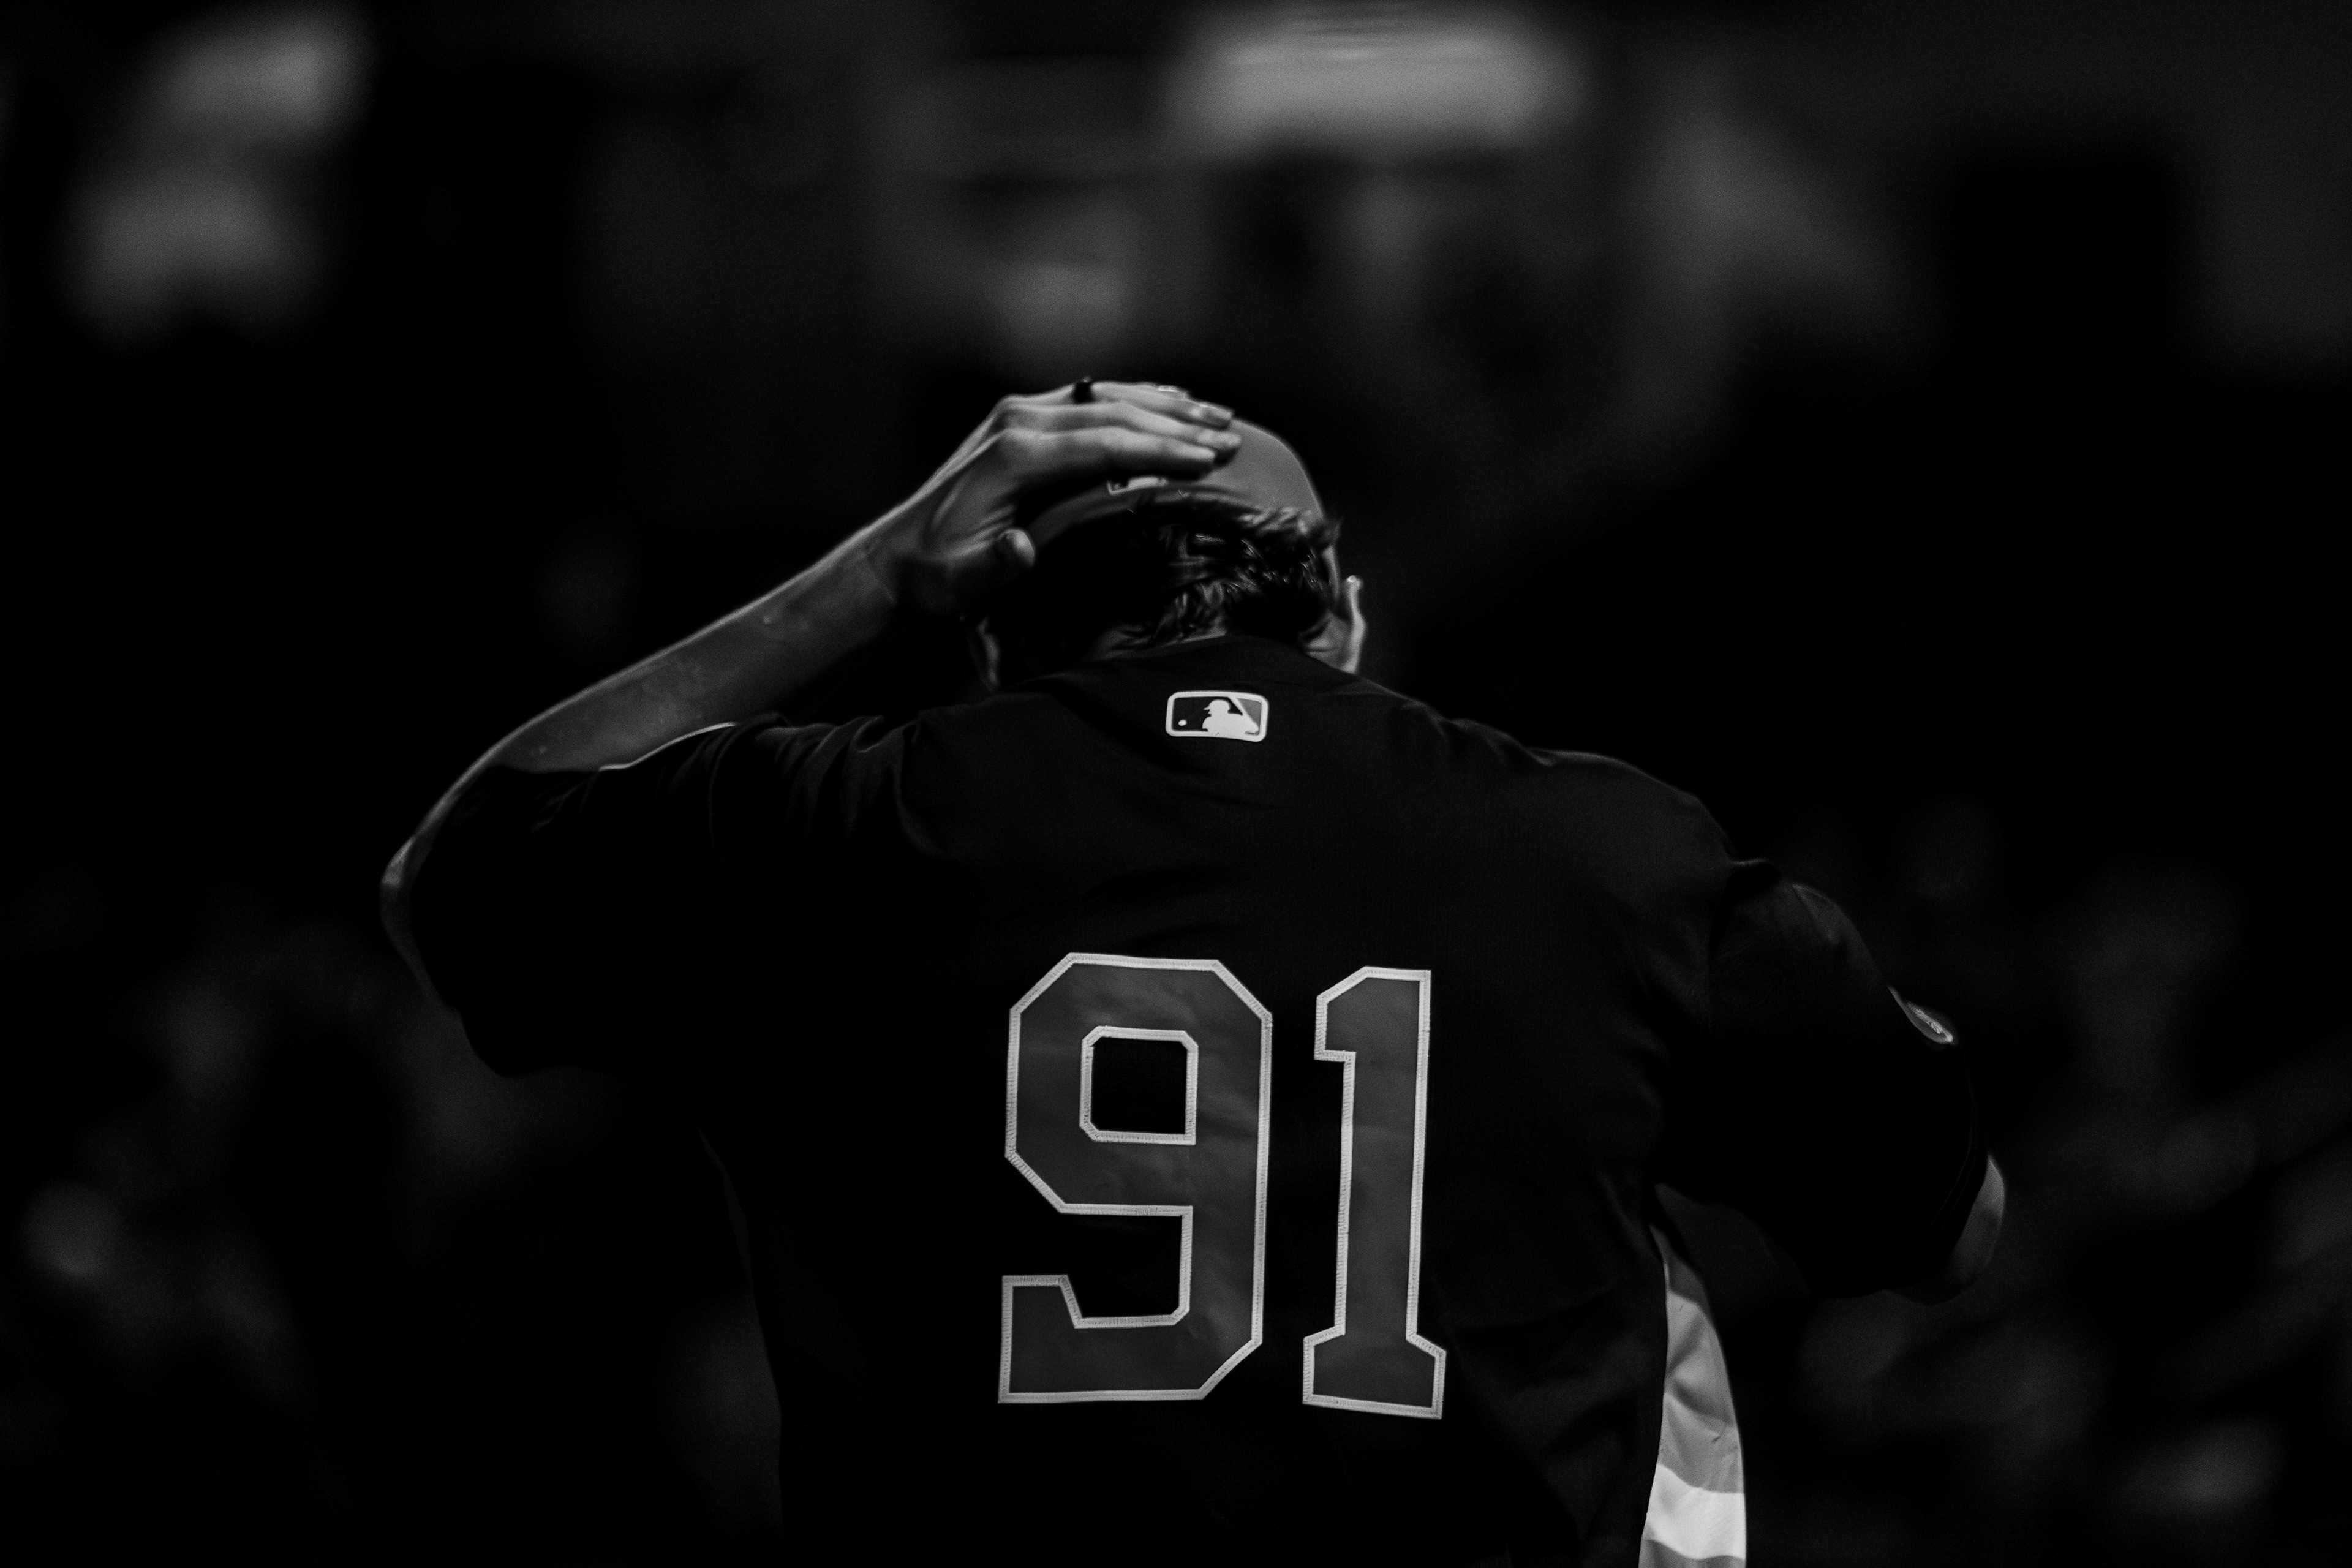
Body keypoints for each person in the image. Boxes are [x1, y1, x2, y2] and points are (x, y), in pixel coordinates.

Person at [383, 381, 2002, 1568]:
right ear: (1348, 618)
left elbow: (454, 888)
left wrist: (869, 573)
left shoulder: (833, 827)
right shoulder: (1609, 853)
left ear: (990, 629)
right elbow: (1946, 1226)